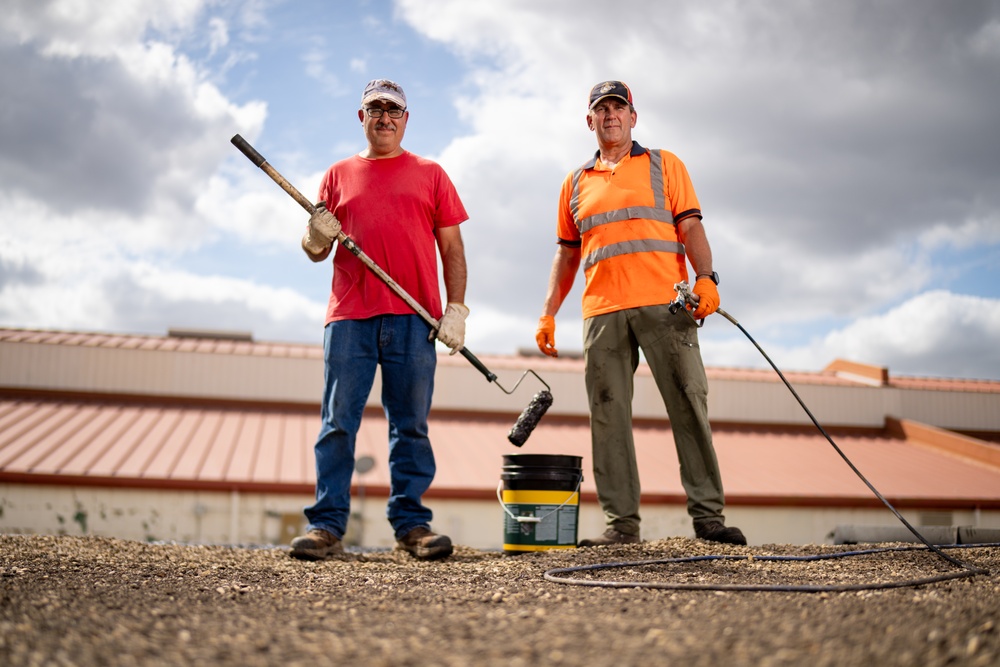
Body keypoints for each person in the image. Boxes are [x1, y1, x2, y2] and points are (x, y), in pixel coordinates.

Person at [536, 81, 746, 547]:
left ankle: (709, 519)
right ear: (589, 120)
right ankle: (621, 526)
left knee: (689, 403)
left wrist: (706, 277)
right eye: (601, 109)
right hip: (602, 312)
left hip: (665, 306)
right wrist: (548, 313)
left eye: (618, 108)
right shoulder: (575, 183)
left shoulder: (664, 164)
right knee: (608, 415)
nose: (610, 115)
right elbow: (567, 254)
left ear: (633, 117)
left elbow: (690, 226)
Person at [290, 79, 470, 561]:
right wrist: (314, 235)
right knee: (337, 424)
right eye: (376, 109)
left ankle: (412, 525)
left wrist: (456, 307)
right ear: (361, 117)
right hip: (350, 317)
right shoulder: (336, 175)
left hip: (413, 317)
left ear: (406, 119)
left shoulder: (431, 174)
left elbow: (451, 247)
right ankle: (326, 525)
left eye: (394, 109)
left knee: (410, 426)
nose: (385, 117)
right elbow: (317, 249)